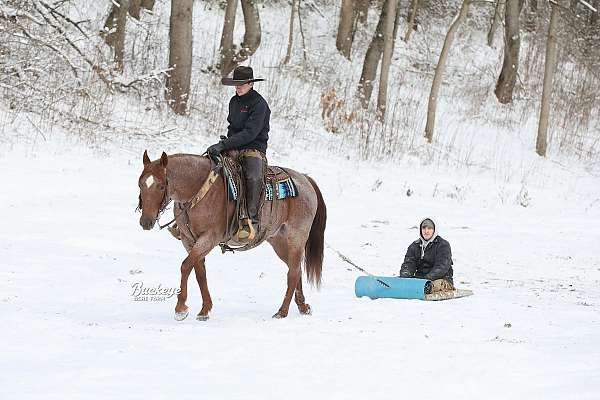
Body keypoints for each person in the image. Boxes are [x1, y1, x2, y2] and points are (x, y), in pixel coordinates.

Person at [207, 66, 271, 241]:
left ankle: (250, 220)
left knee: (253, 175)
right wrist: (225, 144)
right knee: (210, 165)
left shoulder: (260, 104)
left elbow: (250, 133)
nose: (238, 87)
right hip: (234, 145)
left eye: (241, 84)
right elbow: (232, 128)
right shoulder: (233, 102)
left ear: (251, 83)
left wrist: (225, 144)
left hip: (253, 147)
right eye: (236, 84)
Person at [399, 218, 455, 293]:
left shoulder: (443, 245)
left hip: (441, 279)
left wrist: (425, 280)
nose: (426, 231)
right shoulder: (415, 246)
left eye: (430, 228)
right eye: (424, 228)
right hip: (420, 280)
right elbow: (409, 263)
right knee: (401, 282)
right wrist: (405, 276)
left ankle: (425, 288)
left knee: (430, 287)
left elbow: (442, 267)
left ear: (434, 230)